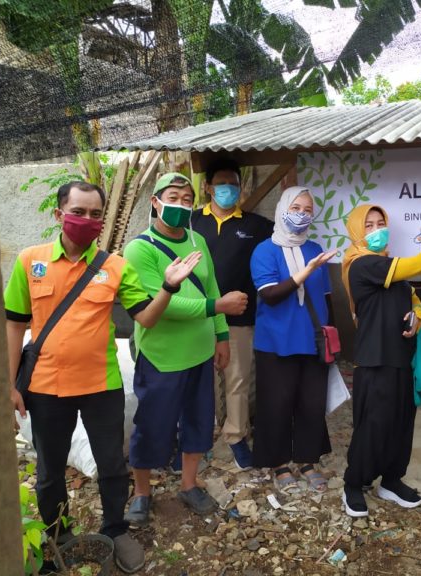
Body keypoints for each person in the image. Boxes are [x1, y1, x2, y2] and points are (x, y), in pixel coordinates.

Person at [5, 181, 199, 574]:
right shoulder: (31, 261)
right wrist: (9, 385)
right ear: (59, 215)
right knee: (49, 473)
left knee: (112, 466)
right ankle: (58, 537)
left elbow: (145, 316)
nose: (88, 221)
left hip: (102, 385)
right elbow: (14, 325)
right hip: (45, 388)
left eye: (96, 214)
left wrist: (168, 286)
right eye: (79, 212)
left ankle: (115, 530)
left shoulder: (115, 266)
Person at [122, 172, 248, 524]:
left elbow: (211, 286)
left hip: (200, 354)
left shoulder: (196, 240)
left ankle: (189, 484)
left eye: (187, 199)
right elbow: (159, 306)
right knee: (152, 425)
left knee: (198, 422)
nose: (180, 205)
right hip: (161, 357)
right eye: (173, 197)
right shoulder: (139, 249)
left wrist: (221, 336)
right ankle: (142, 492)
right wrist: (217, 309)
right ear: (156, 202)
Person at [340, 205, 421, 517]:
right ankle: (353, 484)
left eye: (380, 223)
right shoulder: (360, 264)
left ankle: (391, 480)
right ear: (357, 231)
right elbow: (415, 266)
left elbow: (411, 295)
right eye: (369, 226)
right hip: (375, 360)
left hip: (402, 358)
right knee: (373, 425)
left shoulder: (386, 265)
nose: (376, 230)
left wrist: (416, 314)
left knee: (402, 423)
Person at [250, 186, 336, 493]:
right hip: (275, 342)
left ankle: (308, 458)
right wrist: (304, 273)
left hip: (313, 340)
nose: (302, 214)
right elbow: (270, 295)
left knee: (312, 403)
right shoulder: (264, 250)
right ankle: (278, 462)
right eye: (296, 207)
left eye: (308, 209)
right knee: (276, 403)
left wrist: (332, 337)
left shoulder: (315, 248)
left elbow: (326, 297)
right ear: (283, 208)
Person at [190, 157, 273, 470]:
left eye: (233, 184)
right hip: (197, 317)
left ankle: (236, 436)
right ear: (208, 187)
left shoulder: (258, 227)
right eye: (221, 183)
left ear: (241, 188)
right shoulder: (191, 224)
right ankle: (201, 435)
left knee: (236, 378)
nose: (227, 188)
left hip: (239, 319)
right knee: (202, 381)